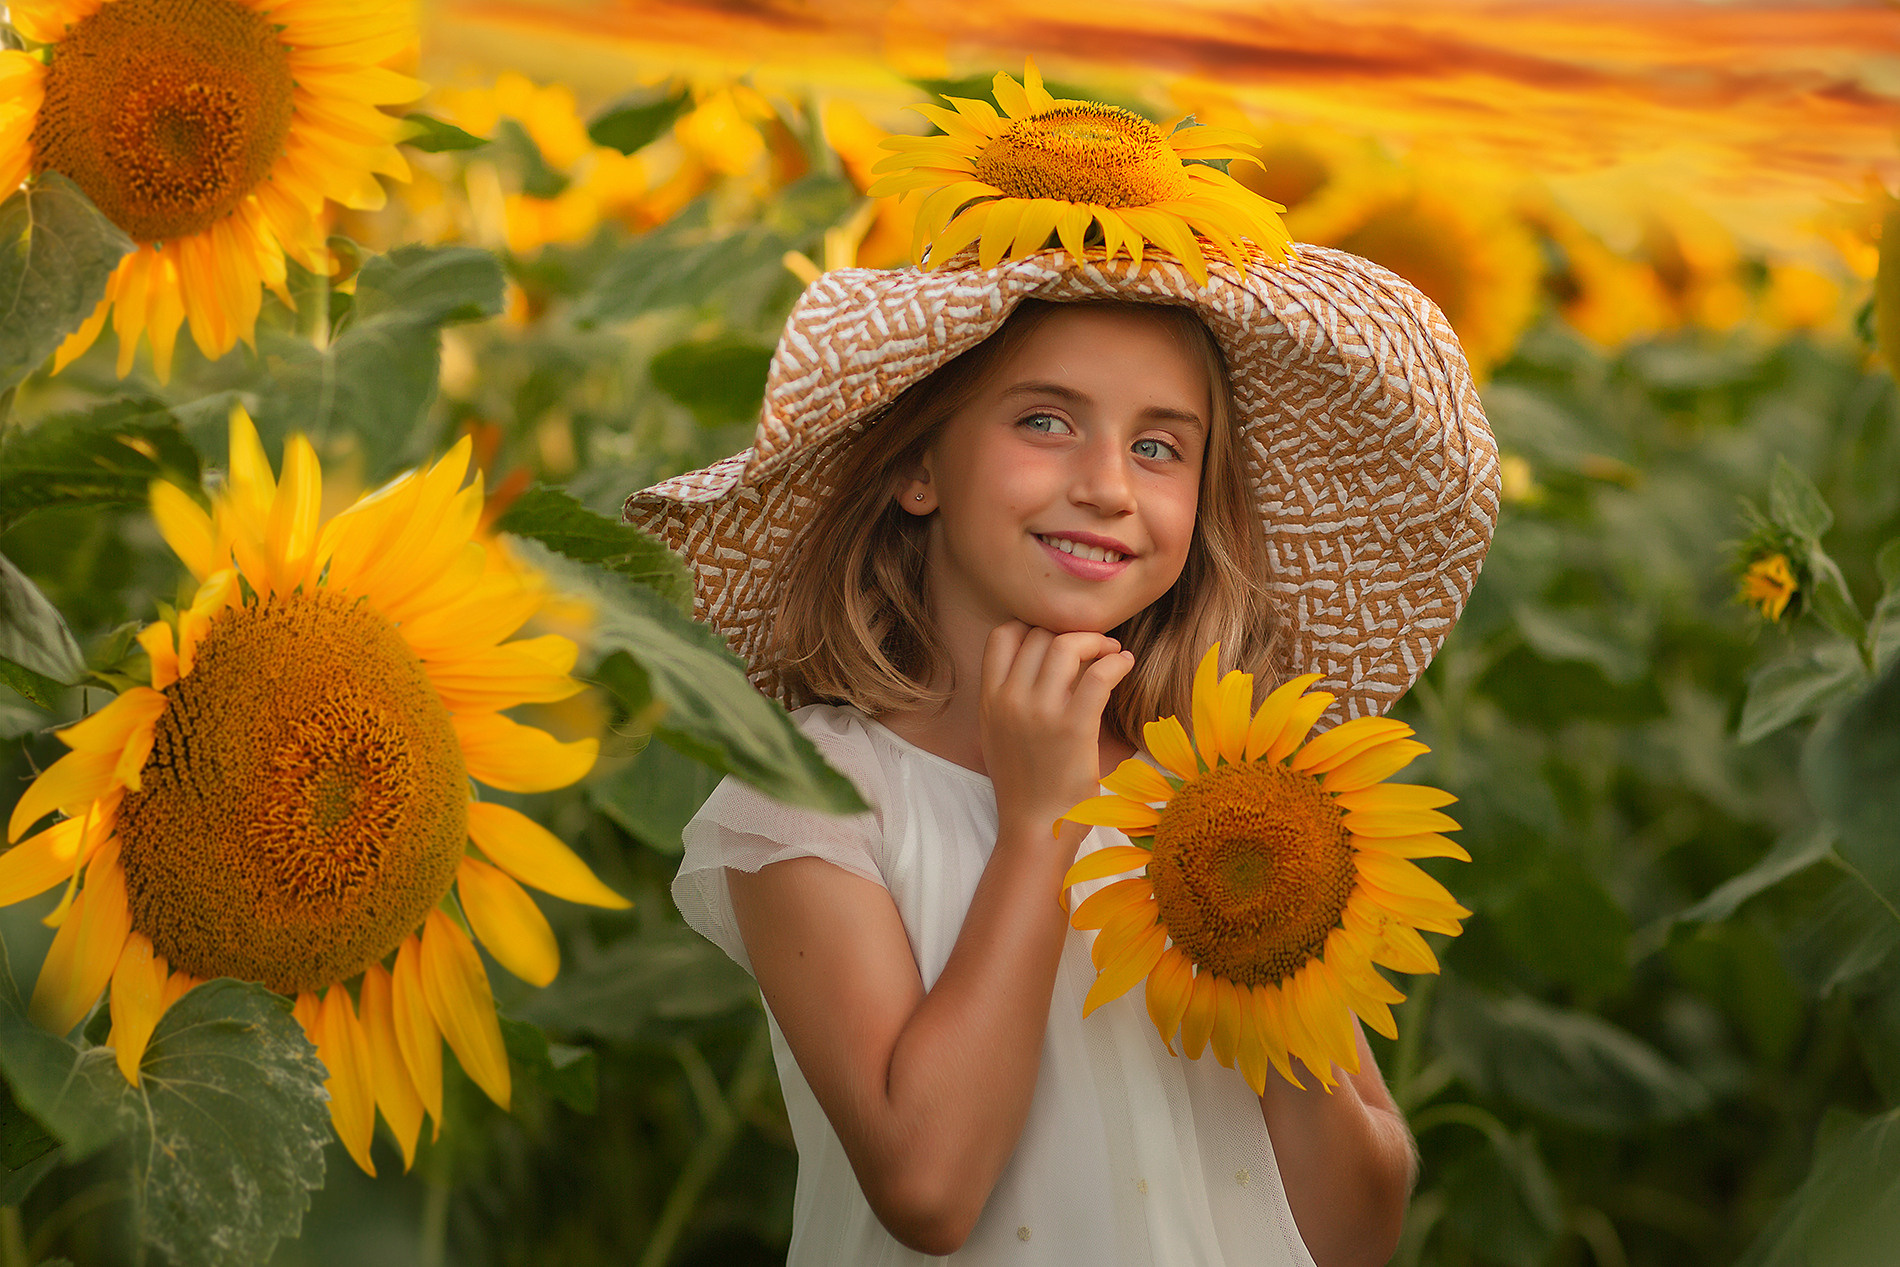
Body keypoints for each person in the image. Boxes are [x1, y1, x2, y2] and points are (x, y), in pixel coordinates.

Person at [626, 81, 1498, 1267]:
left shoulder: (1225, 788)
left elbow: (1354, 1225)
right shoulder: (814, 797)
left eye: (1157, 446)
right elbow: (927, 1188)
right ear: (916, 464)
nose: (1107, 484)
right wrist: (1038, 827)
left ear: (1200, 498)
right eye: (1045, 422)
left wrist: (1268, 943)